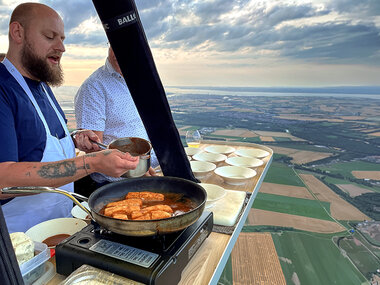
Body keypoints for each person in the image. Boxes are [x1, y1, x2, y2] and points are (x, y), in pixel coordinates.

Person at [0, 3, 140, 233]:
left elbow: (39, 143)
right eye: (50, 36)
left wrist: (75, 139)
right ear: (18, 33)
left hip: (59, 225)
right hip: (20, 239)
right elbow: (3, 179)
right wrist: (92, 163)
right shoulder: (3, 89)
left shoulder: (41, 85)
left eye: (62, 38)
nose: (61, 47)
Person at [74, 46, 158, 193]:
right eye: (115, 45)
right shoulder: (94, 87)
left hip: (150, 172)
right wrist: (137, 170)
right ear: (109, 45)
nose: (121, 52)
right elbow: (95, 152)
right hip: (118, 185)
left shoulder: (139, 78)